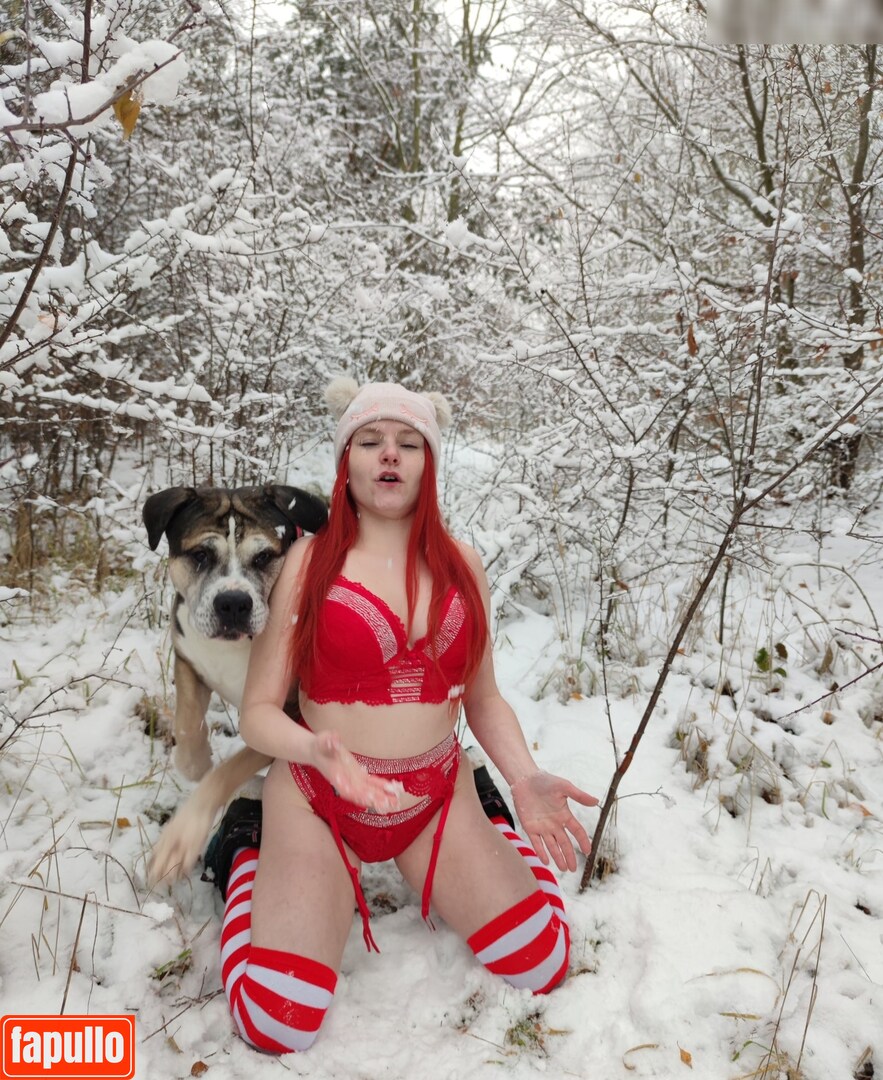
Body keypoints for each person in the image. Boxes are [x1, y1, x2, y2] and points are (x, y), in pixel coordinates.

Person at [216, 378, 598, 1054]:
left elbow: (482, 698)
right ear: (347, 460)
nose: (389, 454)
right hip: (319, 799)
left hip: (433, 796)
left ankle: (489, 818)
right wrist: (316, 751)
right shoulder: (307, 563)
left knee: (542, 962)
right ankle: (247, 847)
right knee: (278, 1021)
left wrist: (523, 776)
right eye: (370, 441)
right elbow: (257, 714)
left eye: (408, 443)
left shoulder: (463, 565)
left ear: (429, 462)